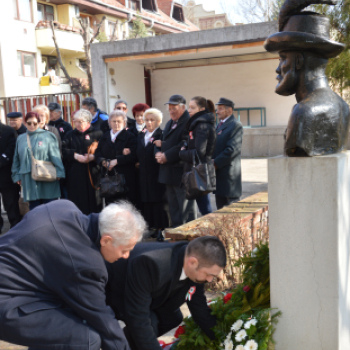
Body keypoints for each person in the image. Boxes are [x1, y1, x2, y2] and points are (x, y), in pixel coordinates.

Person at [0, 199, 146, 350]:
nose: (127, 256)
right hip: (8, 302)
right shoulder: (86, 264)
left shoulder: (63, 206)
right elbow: (103, 321)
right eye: (124, 250)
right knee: (86, 339)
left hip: (16, 283)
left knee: (70, 320)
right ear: (106, 240)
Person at [106, 236, 226, 350]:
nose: (210, 280)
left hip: (149, 295)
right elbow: (138, 317)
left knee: (173, 318)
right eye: (209, 274)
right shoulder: (151, 264)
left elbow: (200, 309)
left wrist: (224, 339)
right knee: (150, 323)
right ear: (192, 262)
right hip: (116, 293)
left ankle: (130, 343)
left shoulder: (196, 266)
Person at [155, 94, 196, 228]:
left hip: (182, 172)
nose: (171, 111)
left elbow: (185, 143)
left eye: (174, 108)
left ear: (183, 108)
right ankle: (176, 236)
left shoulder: (189, 122)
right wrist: (158, 154)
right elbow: (160, 141)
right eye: (170, 108)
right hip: (168, 172)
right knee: (173, 208)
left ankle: (189, 237)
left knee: (185, 208)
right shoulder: (169, 123)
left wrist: (167, 155)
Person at [11, 112, 65, 211]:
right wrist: (16, 175)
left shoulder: (48, 136)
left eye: (35, 123)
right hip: (28, 177)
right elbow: (16, 159)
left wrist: (60, 172)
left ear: (39, 123)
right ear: (25, 123)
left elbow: (55, 155)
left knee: (50, 207)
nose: (32, 125)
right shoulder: (21, 138)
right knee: (34, 208)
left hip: (46, 176)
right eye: (29, 123)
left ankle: (50, 226)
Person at [179, 96, 216, 216]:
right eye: (189, 107)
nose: (189, 110)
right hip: (197, 170)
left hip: (201, 171)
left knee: (205, 210)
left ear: (201, 109)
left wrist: (182, 153)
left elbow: (199, 152)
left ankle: (210, 233)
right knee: (202, 207)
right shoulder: (197, 124)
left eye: (192, 107)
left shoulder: (202, 125)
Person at [136, 108, 168, 241]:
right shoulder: (141, 134)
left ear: (159, 121)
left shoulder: (162, 134)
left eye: (152, 120)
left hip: (157, 173)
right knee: (147, 200)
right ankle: (152, 227)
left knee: (158, 201)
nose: (148, 122)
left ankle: (162, 229)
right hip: (144, 173)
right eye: (146, 120)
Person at [62, 109, 102, 215]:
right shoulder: (69, 135)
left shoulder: (98, 133)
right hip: (75, 175)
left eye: (81, 122)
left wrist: (93, 157)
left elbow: (103, 151)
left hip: (93, 174)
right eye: (75, 121)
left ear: (88, 121)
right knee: (77, 202)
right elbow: (63, 150)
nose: (77, 124)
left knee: (94, 202)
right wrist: (75, 155)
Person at [95, 110, 137, 205]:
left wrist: (117, 161)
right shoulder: (105, 136)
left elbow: (134, 155)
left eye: (119, 121)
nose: (116, 124)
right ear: (109, 122)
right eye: (114, 121)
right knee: (111, 207)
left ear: (124, 123)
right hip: (108, 179)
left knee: (125, 206)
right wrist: (103, 162)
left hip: (125, 178)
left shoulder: (130, 136)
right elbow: (97, 152)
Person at [212, 98, 243, 210]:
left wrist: (215, 162)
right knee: (221, 213)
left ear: (229, 110)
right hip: (218, 175)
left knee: (232, 214)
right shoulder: (219, 125)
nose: (217, 111)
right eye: (217, 109)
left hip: (229, 178)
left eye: (220, 109)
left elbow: (232, 150)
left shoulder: (235, 125)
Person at [0, 120, 21, 233]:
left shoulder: (8, 131)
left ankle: (15, 226)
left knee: (10, 203)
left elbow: (12, 149)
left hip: (6, 175)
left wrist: (2, 161)